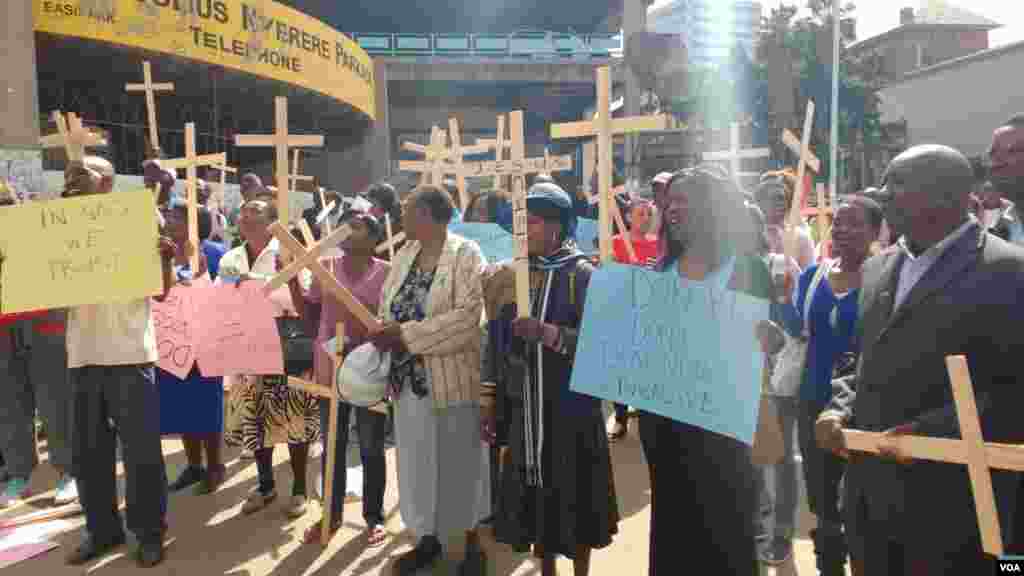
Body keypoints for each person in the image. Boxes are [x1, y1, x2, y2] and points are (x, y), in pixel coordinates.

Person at [816, 144, 1024, 574]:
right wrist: (839, 408)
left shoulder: (1008, 271)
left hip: (953, 509)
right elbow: (860, 359)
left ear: (947, 196)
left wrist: (929, 433)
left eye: (899, 185)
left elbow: (1014, 390)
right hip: (870, 501)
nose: (884, 194)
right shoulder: (876, 269)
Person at [641, 165, 774, 575]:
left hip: (724, 433)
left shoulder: (747, 270)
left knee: (726, 533)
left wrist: (766, 343)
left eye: (685, 201)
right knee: (674, 533)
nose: (673, 210)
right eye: (670, 202)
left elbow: (758, 349)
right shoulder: (661, 272)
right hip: (666, 427)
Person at [482, 182, 618, 576]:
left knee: (575, 500)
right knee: (536, 502)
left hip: (571, 413)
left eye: (536, 222)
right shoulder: (514, 276)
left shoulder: (583, 275)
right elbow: (495, 343)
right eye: (522, 222)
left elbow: (602, 347)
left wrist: (548, 334)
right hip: (526, 410)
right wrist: (490, 400)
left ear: (558, 226)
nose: (526, 230)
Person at [369, 185, 490, 576]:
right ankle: (427, 539)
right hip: (408, 382)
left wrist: (406, 335)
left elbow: (469, 318)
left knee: (461, 462)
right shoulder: (404, 254)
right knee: (417, 462)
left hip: (453, 378)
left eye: (407, 210)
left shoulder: (466, 254)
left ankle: (471, 543)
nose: (401, 218)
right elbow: (387, 305)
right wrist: (386, 329)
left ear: (427, 214)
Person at [62, 156, 176, 567]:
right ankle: (102, 530)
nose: (71, 179)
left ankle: (148, 532)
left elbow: (162, 291)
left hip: (130, 353)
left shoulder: (141, 219)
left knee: (141, 451)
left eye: (82, 174)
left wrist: (164, 256)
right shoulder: (56, 226)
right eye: (69, 174)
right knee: (89, 452)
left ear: (107, 182)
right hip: (84, 355)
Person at [774, 195, 883, 574]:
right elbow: (797, 330)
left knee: (862, 498)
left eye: (853, 223)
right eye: (837, 222)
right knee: (822, 500)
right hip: (813, 400)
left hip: (864, 407)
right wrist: (783, 300)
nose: (841, 229)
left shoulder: (884, 277)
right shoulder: (813, 276)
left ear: (875, 231)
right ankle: (829, 566)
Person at [287, 209, 392, 547]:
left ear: (375, 239)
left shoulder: (388, 274)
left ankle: (373, 518)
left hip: (368, 372)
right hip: (329, 368)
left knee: (372, 445)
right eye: (345, 224)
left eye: (357, 226)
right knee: (332, 444)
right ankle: (330, 515)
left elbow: (391, 323)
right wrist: (292, 282)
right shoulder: (325, 267)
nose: (348, 230)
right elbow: (309, 316)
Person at [221, 199, 319, 519]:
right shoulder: (230, 258)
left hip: (285, 345)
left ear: (273, 221)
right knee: (256, 418)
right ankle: (265, 485)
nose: (247, 216)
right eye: (244, 211)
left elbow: (305, 302)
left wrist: (280, 280)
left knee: (293, 418)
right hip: (246, 346)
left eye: (256, 211)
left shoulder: (290, 253)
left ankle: (300, 489)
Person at [0, 192, 78, 509]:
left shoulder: (39, 232)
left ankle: (68, 472)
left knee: (55, 400)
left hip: (43, 323)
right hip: (4, 327)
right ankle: (19, 474)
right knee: (10, 403)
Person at [156, 200, 226, 495]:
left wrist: (199, 277)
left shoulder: (213, 253)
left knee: (205, 406)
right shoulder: (162, 254)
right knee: (181, 405)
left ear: (195, 223)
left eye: (177, 217)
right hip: (173, 342)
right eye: (169, 216)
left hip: (204, 342)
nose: (169, 221)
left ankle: (215, 466)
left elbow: (223, 295)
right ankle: (193, 465)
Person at [756, 170, 817, 269]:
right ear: (759, 201)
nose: (779, 203)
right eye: (773, 198)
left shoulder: (801, 238)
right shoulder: (749, 234)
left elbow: (808, 278)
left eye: (782, 198)